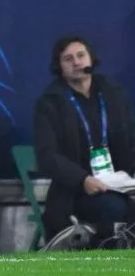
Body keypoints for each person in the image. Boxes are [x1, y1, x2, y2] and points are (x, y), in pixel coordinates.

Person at [34, 36, 135, 241]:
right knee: (114, 207)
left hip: (119, 183)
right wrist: (83, 180)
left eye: (81, 55)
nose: (77, 63)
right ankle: (104, 263)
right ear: (59, 66)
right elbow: (48, 156)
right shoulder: (50, 102)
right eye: (68, 59)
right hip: (76, 192)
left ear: (91, 59)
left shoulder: (112, 93)